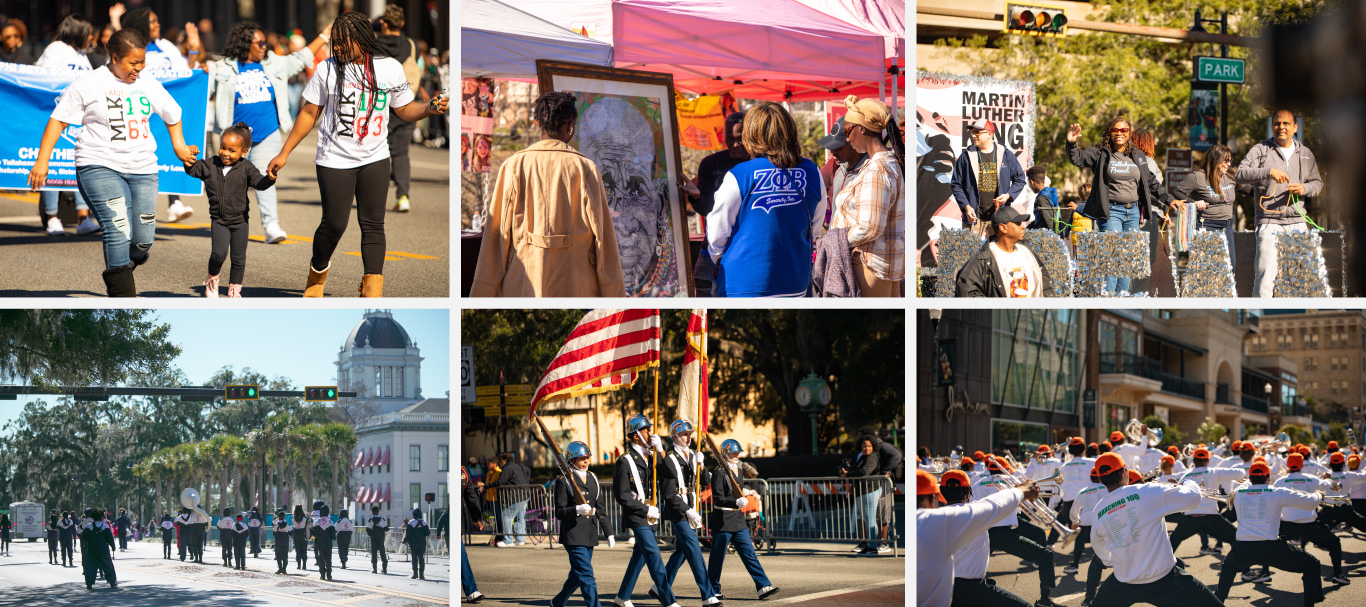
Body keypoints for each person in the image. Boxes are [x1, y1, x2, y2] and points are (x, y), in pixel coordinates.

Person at [267, 11, 449, 299]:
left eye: (343, 42)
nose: (337, 48)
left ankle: (372, 291)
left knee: (374, 225)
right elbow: (309, 113)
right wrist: (284, 152)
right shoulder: (327, 69)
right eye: (335, 42)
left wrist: (429, 108)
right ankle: (316, 275)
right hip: (334, 159)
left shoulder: (389, 68)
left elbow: (404, 108)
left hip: (375, 158)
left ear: (362, 40)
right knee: (334, 224)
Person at [27, 28, 199, 297]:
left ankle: (125, 264)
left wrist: (179, 146)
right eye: (133, 63)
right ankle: (122, 298)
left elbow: (172, 114)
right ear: (115, 57)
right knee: (117, 227)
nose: (139, 68)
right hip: (98, 164)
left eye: (142, 62)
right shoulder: (88, 83)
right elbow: (57, 122)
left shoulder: (148, 82)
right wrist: (42, 161)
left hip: (143, 168)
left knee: (142, 241)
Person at [469, 91, 626, 297]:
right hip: (575, 284)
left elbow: (496, 235)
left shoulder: (514, 165)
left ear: (538, 124)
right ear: (570, 126)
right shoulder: (584, 168)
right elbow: (604, 238)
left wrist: (482, 292)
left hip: (522, 282)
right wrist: (614, 293)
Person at [209, 21, 328, 245]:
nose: (265, 46)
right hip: (235, 139)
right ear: (246, 44)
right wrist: (195, 60)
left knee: (265, 177)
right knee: (232, 185)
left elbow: (300, 58)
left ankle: (271, 225)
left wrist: (323, 37)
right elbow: (200, 89)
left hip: (267, 133)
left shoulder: (273, 63)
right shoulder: (223, 68)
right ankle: (230, 224)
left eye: (265, 42)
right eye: (260, 43)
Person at [704, 101, 826, 297]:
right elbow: (815, 226)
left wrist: (718, 258)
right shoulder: (813, 171)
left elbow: (717, 232)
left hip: (742, 285)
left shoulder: (739, 174)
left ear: (751, 134)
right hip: (795, 281)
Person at [1079, 453, 1222, 606]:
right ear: (1125, 472)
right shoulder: (1147, 490)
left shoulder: (1098, 509)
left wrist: (1115, 562)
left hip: (1123, 582)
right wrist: (1186, 482)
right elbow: (1194, 497)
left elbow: (1098, 546)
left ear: (1101, 480)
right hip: (1165, 580)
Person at [1065, 118, 1177, 295]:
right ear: (1109, 132)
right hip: (1110, 212)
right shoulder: (1101, 152)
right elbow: (1077, 158)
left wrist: (1169, 200)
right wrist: (1071, 143)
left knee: (1125, 259)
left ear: (1129, 133)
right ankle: (1109, 297)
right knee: (1112, 257)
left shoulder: (1137, 155)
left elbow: (1151, 181)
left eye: (1124, 130)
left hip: (1133, 212)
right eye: (1115, 130)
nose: (1119, 133)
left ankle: (1122, 296)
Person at [114, 5, 203, 225]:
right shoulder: (134, 47)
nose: (157, 25)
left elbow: (186, 72)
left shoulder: (165, 46)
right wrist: (115, 21)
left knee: (171, 152)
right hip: (139, 110)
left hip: (162, 108)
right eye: (152, 22)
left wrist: (194, 53)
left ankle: (174, 203)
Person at [1234, 109, 1324, 297]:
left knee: (1299, 277)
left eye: (1286, 123)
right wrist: (1268, 172)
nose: (1281, 127)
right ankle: (1260, 311)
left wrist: (1304, 188)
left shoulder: (1306, 153)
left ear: (1295, 127)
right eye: (1277, 123)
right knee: (1265, 277)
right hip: (1269, 222)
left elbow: (1317, 184)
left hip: (1298, 222)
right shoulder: (1260, 150)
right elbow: (1240, 174)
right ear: (1272, 126)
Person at [183, 121, 277, 297]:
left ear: (244, 152)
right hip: (219, 220)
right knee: (218, 255)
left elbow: (259, 183)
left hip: (240, 221)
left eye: (232, 150)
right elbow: (193, 170)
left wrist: (270, 178)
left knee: (238, 259)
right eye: (223, 148)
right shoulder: (211, 164)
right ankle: (212, 281)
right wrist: (190, 157)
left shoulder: (246, 168)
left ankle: (235, 289)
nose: (225, 153)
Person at [1214, 461, 1326, 605]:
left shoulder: (1238, 493)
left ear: (1250, 478)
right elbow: (1311, 503)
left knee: (1228, 568)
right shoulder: (1277, 492)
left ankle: (1217, 602)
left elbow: (1246, 485)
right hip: (1271, 548)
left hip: (1242, 549)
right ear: (1268, 478)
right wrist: (1318, 495)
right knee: (1312, 564)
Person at [827, 95, 904, 297]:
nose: (847, 138)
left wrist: (835, 241)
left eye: (847, 131)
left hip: (868, 264)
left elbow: (870, 227)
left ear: (861, 129)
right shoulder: (886, 163)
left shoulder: (878, 168)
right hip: (877, 262)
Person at [35, 14, 100, 237]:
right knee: (54, 163)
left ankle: (83, 218)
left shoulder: (82, 55)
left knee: (78, 164)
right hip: (57, 116)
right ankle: (52, 217)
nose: (92, 37)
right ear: (78, 32)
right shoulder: (56, 49)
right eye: (89, 33)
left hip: (78, 120)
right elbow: (43, 80)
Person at [933, 470, 1033, 607]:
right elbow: (1001, 501)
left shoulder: (929, 519)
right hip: (972, 589)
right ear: (967, 493)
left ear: (942, 493)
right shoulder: (977, 513)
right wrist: (1022, 490)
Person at [612, 414, 680, 607]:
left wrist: (661, 451)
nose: (651, 433)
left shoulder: (652, 456)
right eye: (647, 430)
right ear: (636, 435)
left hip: (652, 514)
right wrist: (645, 509)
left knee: (639, 556)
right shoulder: (625, 461)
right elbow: (622, 495)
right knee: (653, 555)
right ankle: (669, 601)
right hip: (637, 514)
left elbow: (672, 474)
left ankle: (621, 598)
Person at [974, 456, 1057, 606]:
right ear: (1005, 469)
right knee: (1046, 555)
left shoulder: (977, 483)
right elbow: (1019, 505)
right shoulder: (1011, 481)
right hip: (1003, 533)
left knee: (974, 571)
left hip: (983, 533)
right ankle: (1044, 600)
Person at [706, 438, 779, 602]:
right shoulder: (719, 472)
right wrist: (735, 502)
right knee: (717, 559)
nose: (737, 455)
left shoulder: (738, 471)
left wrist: (741, 500)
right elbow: (718, 499)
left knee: (749, 554)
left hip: (738, 521)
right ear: (725, 454)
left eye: (738, 452)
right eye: (734, 453)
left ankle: (763, 586)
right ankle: (712, 589)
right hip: (723, 520)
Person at [657, 420, 719, 605]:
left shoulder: (693, 455)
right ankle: (707, 595)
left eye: (690, 434)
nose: (689, 437)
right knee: (694, 551)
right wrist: (687, 511)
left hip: (692, 508)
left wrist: (702, 465)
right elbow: (668, 494)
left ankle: (660, 587)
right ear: (675, 436)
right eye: (685, 434)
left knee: (683, 551)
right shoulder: (669, 459)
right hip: (679, 511)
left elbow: (705, 481)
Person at [375, 5, 424, 213]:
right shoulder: (412, 45)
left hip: (380, 105)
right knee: (401, 153)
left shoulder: (374, 45)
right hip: (406, 102)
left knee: (376, 153)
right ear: (402, 23)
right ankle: (403, 196)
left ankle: (375, 198)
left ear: (383, 23)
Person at [553, 440, 612, 607]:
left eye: (587, 458)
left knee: (577, 575)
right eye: (582, 458)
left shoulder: (592, 478)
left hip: (589, 533)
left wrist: (609, 532)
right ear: (571, 460)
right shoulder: (564, 481)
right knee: (586, 574)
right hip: (573, 534)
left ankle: (557, 602)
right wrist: (577, 509)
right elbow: (559, 512)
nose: (586, 461)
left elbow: (600, 508)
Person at [1272, 453, 1347, 584]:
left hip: (1287, 526)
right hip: (1309, 525)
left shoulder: (1280, 481)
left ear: (1288, 465)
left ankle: (1264, 572)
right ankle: (1338, 574)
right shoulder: (1311, 479)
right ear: (1302, 465)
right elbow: (1328, 485)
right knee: (1334, 543)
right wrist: (1328, 479)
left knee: (1268, 543)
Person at [955, 206, 1054, 297]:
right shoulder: (983, 259)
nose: (1023, 226)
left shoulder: (1027, 251)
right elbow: (967, 291)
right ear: (1003, 227)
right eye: (1018, 223)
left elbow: (1045, 285)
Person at [951, 119, 1025, 237]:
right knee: (970, 248)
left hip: (999, 217)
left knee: (1000, 248)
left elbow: (1020, 179)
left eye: (977, 132)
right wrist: (966, 207)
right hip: (973, 217)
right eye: (973, 132)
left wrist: (1008, 195)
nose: (973, 135)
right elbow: (956, 184)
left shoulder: (1006, 154)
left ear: (990, 134)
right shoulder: (966, 156)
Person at [1169, 448, 1244, 558]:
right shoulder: (1214, 472)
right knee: (1238, 540)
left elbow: (1178, 500)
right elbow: (1240, 473)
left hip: (1190, 519)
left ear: (1193, 461)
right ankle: (1239, 565)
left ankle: (1160, 565)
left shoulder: (1185, 477)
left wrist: (1175, 486)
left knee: (1172, 542)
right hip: (1211, 519)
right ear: (1208, 461)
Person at [841, 436, 882, 555]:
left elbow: (864, 472)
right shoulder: (862, 457)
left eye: (869, 446)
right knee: (867, 519)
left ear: (873, 447)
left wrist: (848, 475)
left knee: (870, 519)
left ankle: (873, 547)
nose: (867, 448)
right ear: (860, 447)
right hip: (862, 491)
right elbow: (855, 470)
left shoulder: (872, 457)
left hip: (870, 490)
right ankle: (870, 545)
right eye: (864, 446)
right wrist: (847, 472)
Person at [489, 452, 530, 545]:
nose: (500, 464)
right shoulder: (519, 466)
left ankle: (508, 540)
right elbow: (528, 471)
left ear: (505, 460)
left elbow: (500, 482)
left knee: (506, 516)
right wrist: (526, 482)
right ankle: (520, 539)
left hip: (516, 497)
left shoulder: (507, 468)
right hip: (525, 495)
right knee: (519, 518)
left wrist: (486, 486)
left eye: (501, 461)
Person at [461, 466, 487, 602]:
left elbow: (471, 496)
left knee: (461, 556)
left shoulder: (463, 473)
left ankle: (471, 591)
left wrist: (477, 518)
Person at [80, 509, 117, 589]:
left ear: (92, 517)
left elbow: (85, 537)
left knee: (90, 566)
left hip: (92, 549)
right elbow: (110, 538)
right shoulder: (105, 526)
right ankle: (112, 581)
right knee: (108, 565)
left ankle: (89, 583)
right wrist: (113, 546)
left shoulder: (89, 526)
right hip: (103, 550)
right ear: (101, 517)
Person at [402, 507, 429, 580]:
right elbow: (427, 533)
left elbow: (408, 534)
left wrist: (405, 540)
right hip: (422, 544)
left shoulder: (411, 522)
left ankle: (415, 574)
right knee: (421, 558)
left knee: (414, 559)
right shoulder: (424, 523)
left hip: (413, 544)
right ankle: (421, 575)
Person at [311, 502, 336, 580]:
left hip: (319, 543)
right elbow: (333, 536)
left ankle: (322, 575)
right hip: (328, 543)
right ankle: (329, 575)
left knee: (321, 558)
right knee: (328, 559)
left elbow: (315, 534)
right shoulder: (330, 522)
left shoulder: (317, 522)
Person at [368, 504, 389, 574]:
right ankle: (384, 568)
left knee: (374, 553)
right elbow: (386, 528)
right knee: (382, 552)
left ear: (372, 512)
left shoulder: (371, 520)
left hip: (374, 538)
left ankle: (375, 569)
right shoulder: (382, 519)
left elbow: (368, 529)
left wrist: (371, 534)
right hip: (381, 538)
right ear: (378, 511)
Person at [272, 508, 291, 574]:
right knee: (285, 555)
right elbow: (291, 533)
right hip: (285, 542)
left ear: (278, 517)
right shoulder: (288, 525)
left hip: (278, 542)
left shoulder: (276, 525)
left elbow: (274, 533)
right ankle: (284, 569)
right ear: (284, 517)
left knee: (278, 555)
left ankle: (280, 568)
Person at [292, 504, 310, 570]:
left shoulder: (293, 518)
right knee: (304, 550)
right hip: (303, 534)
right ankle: (304, 565)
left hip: (296, 534)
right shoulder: (305, 518)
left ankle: (298, 565)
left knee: (298, 550)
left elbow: (294, 517)